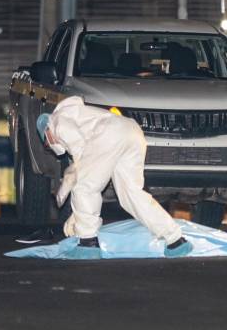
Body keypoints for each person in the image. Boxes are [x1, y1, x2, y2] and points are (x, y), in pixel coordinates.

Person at [36, 96, 191, 258]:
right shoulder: (78, 114)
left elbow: (81, 156)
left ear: (46, 131)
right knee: (132, 194)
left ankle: (87, 243)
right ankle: (175, 240)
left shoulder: (56, 121)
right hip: (131, 131)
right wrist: (77, 213)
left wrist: (79, 217)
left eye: (47, 143)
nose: (51, 145)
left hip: (109, 133)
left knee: (84, 187)